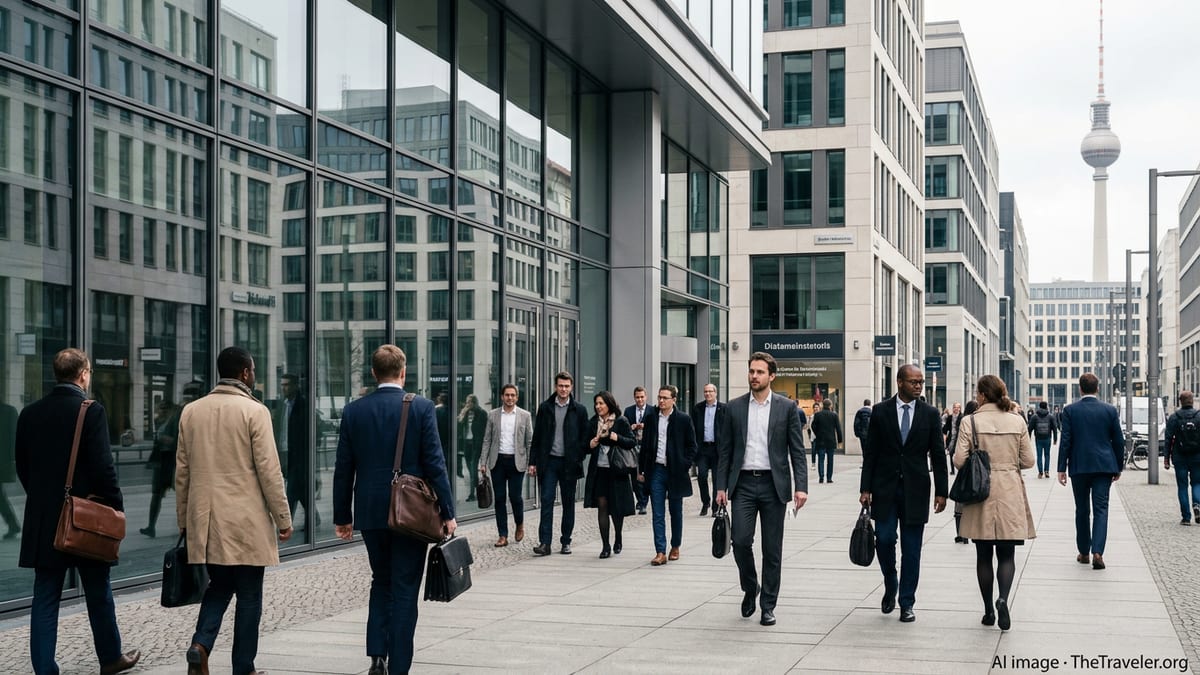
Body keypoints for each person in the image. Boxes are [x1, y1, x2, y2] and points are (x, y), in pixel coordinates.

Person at [16, 348, 141, 675]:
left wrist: (43, 499)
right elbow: (103, 467)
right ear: (83, 373)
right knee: (98, 590)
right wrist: (115, 506)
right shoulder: (90, 410)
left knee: (44, 596)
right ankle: (111, 658)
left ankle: (45, 669)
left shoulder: (29, 413)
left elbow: (22, 466)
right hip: (86, 516)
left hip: (44, 520)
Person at [333, 345, 455, 675]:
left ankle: (376, 656)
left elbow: (344, 468)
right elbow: (435, 464)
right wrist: (448, 510)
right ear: (403, 372)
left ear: (373, 373)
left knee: (380, 581)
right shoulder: (421, 408)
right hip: (410, 513)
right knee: (404, 589)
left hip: (371, 511)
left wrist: (342, 516)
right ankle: (399, 666)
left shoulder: (354, 411)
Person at [177, 347, 293, 675]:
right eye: (253, 370)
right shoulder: (254, 412)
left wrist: (185, 520)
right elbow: (270, 471)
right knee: (249, 594)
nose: (254, 376)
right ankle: (244, 667)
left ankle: (200, 644)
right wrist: (283, 519)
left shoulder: (192, 411)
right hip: (246, 522)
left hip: (208, 521)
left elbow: (181, 472)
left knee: (219, 586)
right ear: (244, 373)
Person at [714, 352, 807, 626]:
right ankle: (750, 586)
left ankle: (768, 605)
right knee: (740, 542)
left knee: (772, 549)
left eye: (760, 372)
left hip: (773, 485)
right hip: (742, 484)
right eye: (751, 371)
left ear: (771, 376)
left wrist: (801, 486)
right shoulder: (733, 408)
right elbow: (725, 452)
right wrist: (721, 486)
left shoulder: (786, 408)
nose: (754, 376)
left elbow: (797, 452)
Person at [860, 364, 948, 623]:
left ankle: (907, 602)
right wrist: (865, 488)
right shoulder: (880, 411)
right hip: (884, 488)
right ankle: (890, 580)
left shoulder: (930, 414)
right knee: (884, 540)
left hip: (917, 489)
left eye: (920, 381)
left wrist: (942, 491)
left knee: (912, 550)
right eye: (913, 382)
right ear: (899, 382)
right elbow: (871, 453)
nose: (918, 386)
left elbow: (939, 455)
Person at [954, 376, 1036, 631]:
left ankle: (989, 610)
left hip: (981, 491)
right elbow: (1029, 461)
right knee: (1007, 553)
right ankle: (1003, 598)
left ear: (981, 395)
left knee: (983, 554)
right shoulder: (1017, 420)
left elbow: (958, 460)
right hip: (1009, 488)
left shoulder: (970, 421)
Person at [1057, 372, 1124, 570]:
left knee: (1082, 509)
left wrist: (1062, 467)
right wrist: (1118, 466)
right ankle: (1098, 552)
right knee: (1101, 509)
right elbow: (1118, 441)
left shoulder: (1070, 410)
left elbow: (1066, 440)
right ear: (1097, 388)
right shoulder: (1110, 410)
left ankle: (1084, 552)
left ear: (1080, 388)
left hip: (1079, 466)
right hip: (1104, 466)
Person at [529, 371, 589, 556]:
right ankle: (545, 543)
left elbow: (584, 437)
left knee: (568, 503)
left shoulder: (579, 410)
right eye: (560, 386)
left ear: (571, 387)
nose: (563, 389)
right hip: (549, 462)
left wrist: (578, 455)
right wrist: (533, 462)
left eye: (566, 386)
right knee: (546, 501)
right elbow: (537, 437)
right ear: (555, 387)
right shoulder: (545, 407)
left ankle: (566, 541)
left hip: (569, 463)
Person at [638, 385, 697, 565]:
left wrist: (684, 464)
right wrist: (641, 470)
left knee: (675, 511)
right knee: (657, 512)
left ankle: (675, 546)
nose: (661, 401)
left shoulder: (683, 419)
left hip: (675, 472)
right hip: (656, 470)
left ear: (674, 400)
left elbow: (692, 447)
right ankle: (660, 551)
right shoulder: (651, 418)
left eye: (665, 398)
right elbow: (645, 446)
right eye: (659, 397)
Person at [583, 391, 638, 558]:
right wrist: (590, 445)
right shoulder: (593, 423)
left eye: (601, 403)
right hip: (599, 470)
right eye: (596, 404)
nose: (598, 407)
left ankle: (618, 537)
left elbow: (632, 442)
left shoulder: (621, 421)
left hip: (617, 470)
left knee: (616, 508)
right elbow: (584, 447)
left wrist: (616, 437)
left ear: (609, 404)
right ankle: (605, 545)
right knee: (602, 506)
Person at [478, 384, 533, 546]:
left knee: (515, 497)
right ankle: (503, 535)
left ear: (517, 397)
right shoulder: (493, 415)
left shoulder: (525, 415)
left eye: (513, 395)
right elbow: (487, 439)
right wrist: (483, 462)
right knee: (500, 498)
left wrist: (531, 463)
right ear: (502, 396)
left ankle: (519, 524)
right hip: (498, 461)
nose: (510, 398)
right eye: (507, 395)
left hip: (517, 462)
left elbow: (530, 442)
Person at [279, 373, 319, 528]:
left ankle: (285, 524)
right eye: (282, 384)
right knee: (301, 492)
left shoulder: (304, 406)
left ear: (296, 386)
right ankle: (314, 517)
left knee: (291, 492)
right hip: (285, 454)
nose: (284, 388)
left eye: (287, 384)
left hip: (299, 457)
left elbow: (312, 432)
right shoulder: (283, 405)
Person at [140, 397, 180, 537]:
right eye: (160, 408)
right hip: (161, 460)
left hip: (172, 460)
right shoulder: (159, 421)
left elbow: (177, 441)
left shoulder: (175, 420)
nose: (161, 411)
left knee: (181, 494)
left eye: (164, 408)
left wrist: (165, 440)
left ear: (170, 409)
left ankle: (184, 526)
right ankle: (151, 527)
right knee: (156, 494)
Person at [1163, 390, 1200, 526]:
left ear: (1180, 401)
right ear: (1192, 401)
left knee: (1182, 487)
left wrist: (1166, 458)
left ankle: (1186, 517)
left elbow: (1168, 439)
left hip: (1180, 457)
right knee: (1197, 483)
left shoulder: (1174, 417)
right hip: (1197, 456)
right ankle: (1197, 504)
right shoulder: (1199, 416)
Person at [690, 383, 727, 516]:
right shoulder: (698, 408)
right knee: (702, 476)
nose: (708, 394)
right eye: (705, 391)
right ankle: (705, 502)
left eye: (710, 391)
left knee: (717, 479)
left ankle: (715, 507)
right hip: (703, 449)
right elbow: (692, 429)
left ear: (715, 393)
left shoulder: (723, 408)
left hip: (717, 450)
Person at [951, 400, 979, 544]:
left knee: (960, 500)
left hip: (965, 466)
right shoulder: (980, 421)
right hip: (978, 466)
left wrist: (954, 455)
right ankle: (971, 531)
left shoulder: (964, 421)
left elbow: (957, 440)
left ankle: (961, 533)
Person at [624, 386, 651, 515]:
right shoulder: (628, 411)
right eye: (637, 397)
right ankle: (640, 501)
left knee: (645, 474)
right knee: (635, 474)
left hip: (647, 446)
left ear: (646, 397)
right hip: (633, 446)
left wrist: (646, 426)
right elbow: (623, 428)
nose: (640, 399)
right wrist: (632, 427)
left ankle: (644, 501)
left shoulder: (652, 411)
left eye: (642, 397)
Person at [458, 394, 488, 500]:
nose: (468, 404)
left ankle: (472, 494)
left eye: (470, 402)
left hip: (476, 444)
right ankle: (476, 485)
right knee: (471, 469)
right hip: (467, 443)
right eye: (467, 402)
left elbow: (486, 431)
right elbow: (460, 426)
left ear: (475, 402)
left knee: (473, 467)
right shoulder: (465, 413)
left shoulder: (482, 413)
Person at [810, 399, 842, 484]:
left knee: (821, 459)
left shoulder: (818, 415)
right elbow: (838, 428)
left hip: (820, 440)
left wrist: (817, 433)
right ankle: (829, 478)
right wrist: (840, 440)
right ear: (830, 405)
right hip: (831, 440)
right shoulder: (834, 415)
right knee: (830, 460)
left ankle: (821, 477)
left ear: (822, 406)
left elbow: (813, 426)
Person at [1027, 401, 1059, 479]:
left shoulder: (1034, 416)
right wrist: (1055, 439)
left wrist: (1029, 438)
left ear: (1039, 407)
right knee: (1047, 455)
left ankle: (1040, 472)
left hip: (1038, 439)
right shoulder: (1050, 416)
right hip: (1047, 438)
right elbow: (1055, 428)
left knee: (1039, 455)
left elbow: (1030, 428)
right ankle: (1047, 471)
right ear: (1046, 406)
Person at [942, 402, 962, 475]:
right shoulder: (950, 417)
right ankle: (952, 470)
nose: (956, 409)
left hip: (959, 438)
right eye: (954, 407)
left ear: (960, 409)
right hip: (951, 438)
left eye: (957, 407)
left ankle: (960, 470)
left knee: (959, 454)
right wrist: (944, 439)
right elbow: (945, 429)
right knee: (951, 453)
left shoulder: (962, 417)